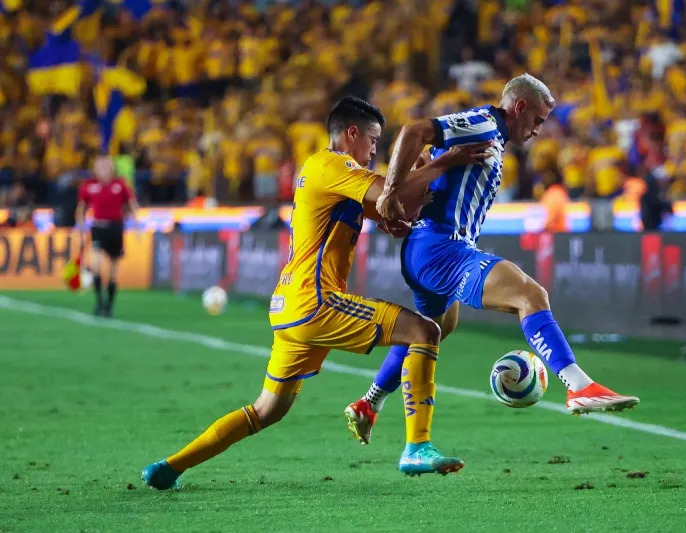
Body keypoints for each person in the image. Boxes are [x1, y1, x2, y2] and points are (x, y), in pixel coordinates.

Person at [141, 97, 491, 490]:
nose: (374, 150)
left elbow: (394, 208)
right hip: (316, 300)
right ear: (351, 134)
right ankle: (417, 446)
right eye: (373, 140)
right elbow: (388, 192)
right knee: (425, 331)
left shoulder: (330, 176)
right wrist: (444, 162)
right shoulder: (333, 164)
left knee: (266, 410)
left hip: (290, 305)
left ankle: (169, 467)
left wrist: (412, 194)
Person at [345, 75, 640, 446]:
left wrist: (422, 177)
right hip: (441, 247)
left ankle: (368, 403)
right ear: (519, 106)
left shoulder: (491, 137)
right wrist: (391, 192)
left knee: (430, 330)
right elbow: (412, 131)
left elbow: (431, 162)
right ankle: (579, 386)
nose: (537, 130)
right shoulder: (483, 124)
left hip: (430, 247)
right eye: (536, 120)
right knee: (530, 295)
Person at [76, 156, 138, 318]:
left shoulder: (120, 185)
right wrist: (80, 226)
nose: (104, 169)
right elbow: (81, 208)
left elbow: (132, 204)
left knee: (113, 272)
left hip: (116, 228)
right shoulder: (89, 186)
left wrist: (137, 224)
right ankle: (99, 301)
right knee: (95, 265)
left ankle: (109, 305)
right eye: (100, 166)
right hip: (99, 227)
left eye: (106, 166)